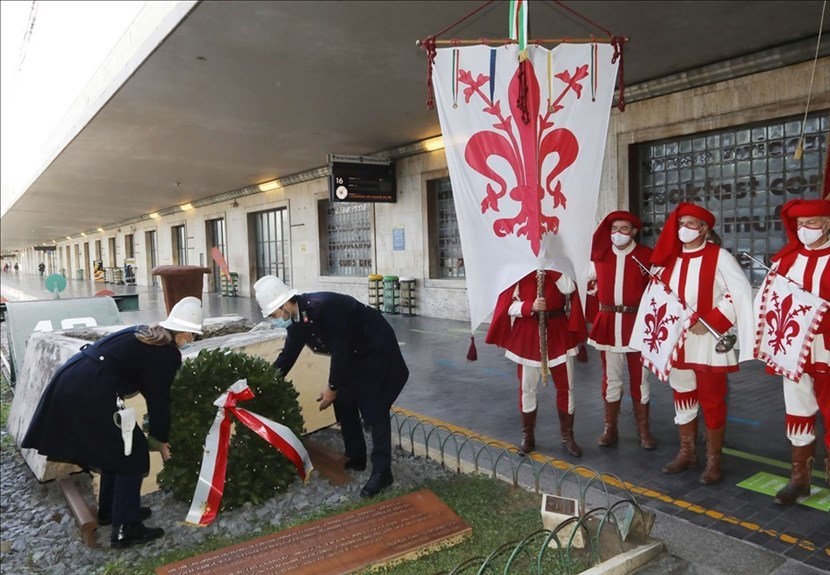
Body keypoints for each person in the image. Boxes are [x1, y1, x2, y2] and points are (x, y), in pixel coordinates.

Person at [22, 296, 204, 548]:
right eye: (192, 336)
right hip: (88, 391)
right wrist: (162, 439)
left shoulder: (145, 332)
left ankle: (110, 511)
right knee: (133, 452)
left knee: (117, 449)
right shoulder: (166, 354)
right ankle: (125, 529)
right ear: (184, 333)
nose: (190, 341)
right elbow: (159, 400)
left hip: (74, 378)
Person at [253, 275, 409, 498]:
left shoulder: (324, 306)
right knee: (344, 401)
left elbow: (341, 348)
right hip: (353, 354)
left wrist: (332, 386)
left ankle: (382, 471)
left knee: (375, 407)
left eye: (274, 314)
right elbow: (287, 356)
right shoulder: (296, 322)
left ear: (285, 304)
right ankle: (355, 457)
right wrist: (265, 381)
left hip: (375, 348)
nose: (275, 320)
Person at [641, 202, 754, 485]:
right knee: (682, 392)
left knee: (713, 400)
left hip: (708, 341)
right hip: (677, 340)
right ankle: (687, 452)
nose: (684, 230)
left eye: (691, 225)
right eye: (681, 224)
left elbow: (738, 293)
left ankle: (714, 461)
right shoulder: (669, 258)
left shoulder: (720, 257)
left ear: (705, 229)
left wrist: (713, 321)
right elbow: (656, 296)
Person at [755, 198, 829, 504]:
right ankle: (800, 479)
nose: (804, 230)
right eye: (799, 225)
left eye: (810, 224)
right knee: (798, 410)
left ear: (827, 223)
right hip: (794, 349)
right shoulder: (786, 260)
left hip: (827, 349)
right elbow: (768, 299)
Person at [485, 269, 587, 457]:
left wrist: (550, 268)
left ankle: (567, 436)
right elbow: (506, 306)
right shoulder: (519, 269)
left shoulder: (559, 266)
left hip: (558, 332)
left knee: (566, 387)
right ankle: (528, 435)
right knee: (527, 388)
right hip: (528, 333)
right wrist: (529, 306)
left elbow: (569, 288)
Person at [586, 211, 656, 449]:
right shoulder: (600, 256)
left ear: (634, 231)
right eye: (614, 229)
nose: (617, 233)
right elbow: (583, 281)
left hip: (637, 324)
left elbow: (658, 290)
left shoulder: (646, 256)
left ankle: (644, 431)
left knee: (641, 379)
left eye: (623, 229)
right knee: (611, 378)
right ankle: (610, 428)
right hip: (608, 323)